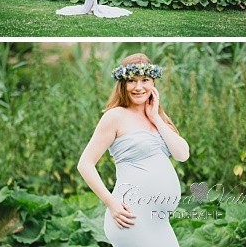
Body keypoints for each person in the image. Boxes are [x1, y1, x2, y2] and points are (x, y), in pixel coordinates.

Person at [77, 53, 189, 246]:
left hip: (159, 222)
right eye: (132, 81)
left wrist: (155, 117)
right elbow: (85, 164)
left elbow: (182, 154)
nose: (138, 87)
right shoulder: (115, 117)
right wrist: (111, 203)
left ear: (153, 83)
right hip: (132, 217)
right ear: (123, 84)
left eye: (145, 80)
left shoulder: (157, 117)